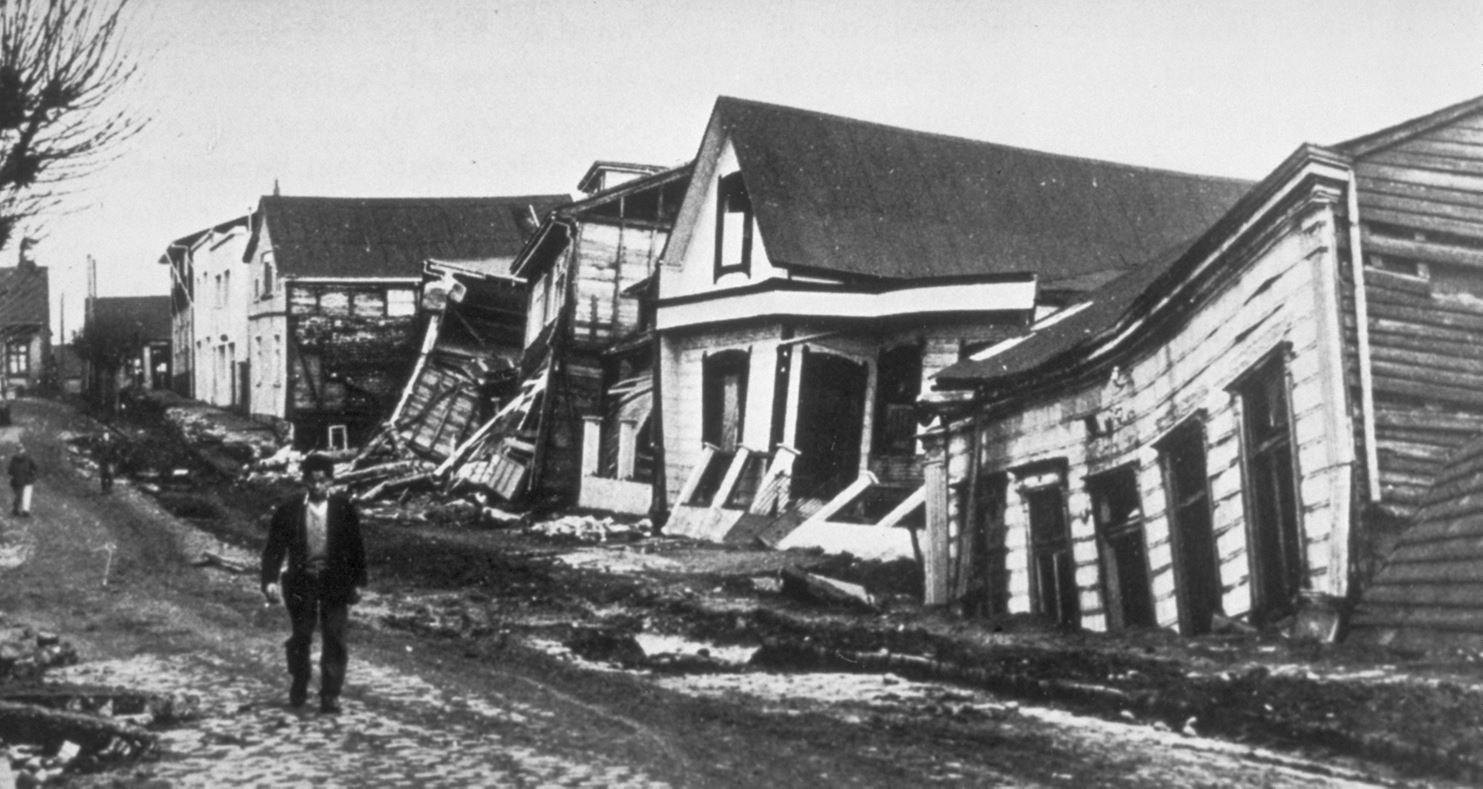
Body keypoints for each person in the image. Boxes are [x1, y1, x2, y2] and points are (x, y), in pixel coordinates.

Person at [260, 453, 367, 714]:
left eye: (322, 480)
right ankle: (299, 679)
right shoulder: (290, 509)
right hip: (301, 581)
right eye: (312, 480)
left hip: (335, 582)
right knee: (301, 635)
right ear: (304, 480)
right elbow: (274, 547)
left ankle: (330, 694)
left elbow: (356, 548)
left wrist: (358, 582)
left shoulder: (343, 509)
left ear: (330, 481)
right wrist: (270, 580)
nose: (317, 486)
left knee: (334, 636)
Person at [8, 445, 36, 517]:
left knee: (19, 495)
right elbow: (36, 468)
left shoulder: (14, 459)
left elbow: (10, 471)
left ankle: (16, 510)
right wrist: (33, 474)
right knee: (25, 495)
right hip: (26, 479)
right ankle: (24, 511)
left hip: (19, 480)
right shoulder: (28, 458)